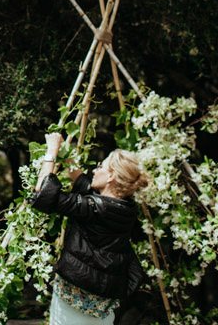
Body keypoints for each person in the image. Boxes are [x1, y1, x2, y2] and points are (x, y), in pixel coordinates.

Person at [30, 132, 149, 325]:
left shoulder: (94, 208)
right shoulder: (126, 208)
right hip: (102, 304)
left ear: (111, 176)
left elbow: (43, 194)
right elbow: (82, 182)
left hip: (75, 300)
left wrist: (52, 150)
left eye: (100, 166)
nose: (95, 169)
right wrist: (66, 154)